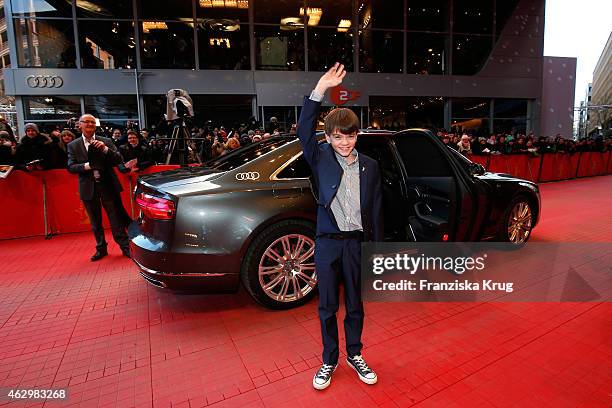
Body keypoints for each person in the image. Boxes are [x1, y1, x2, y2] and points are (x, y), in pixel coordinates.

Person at [297, 63, 383, 391]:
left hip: (357, 244)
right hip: (328, 242)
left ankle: (355, 354)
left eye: (349, 135)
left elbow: (375, 210)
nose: (344, 142)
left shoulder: (371, 166)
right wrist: (319, 89)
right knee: (328, 305)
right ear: (328, 137)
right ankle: (329, 359)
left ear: (357, 134)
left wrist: (376, 251)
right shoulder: (320, 157)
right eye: (337, 136)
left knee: (356, 305)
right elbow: (304, 129)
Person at [67, 114, 131, 261]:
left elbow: (118, 159)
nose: (90, 124)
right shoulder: (73, 145)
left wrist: (105, 149)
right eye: (86, 122)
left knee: (115, 219)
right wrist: (88, 166)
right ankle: (101, 248)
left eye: (92, 122)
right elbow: (70, 167)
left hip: (108, 185)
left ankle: (125, 247)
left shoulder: (106, 141)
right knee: (95, 222)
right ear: (80, 125)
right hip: (88, 187)